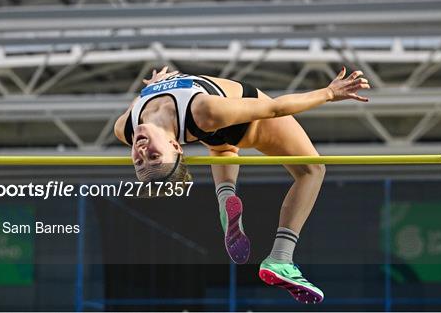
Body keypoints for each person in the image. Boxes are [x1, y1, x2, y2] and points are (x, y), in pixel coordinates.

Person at [114, 66, 370, 303]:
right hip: (241, 121)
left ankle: (225, 198)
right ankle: (281, 258)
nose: (142, 152)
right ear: (175, 147)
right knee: (312, 170)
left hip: (209, 125)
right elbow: (274, 109)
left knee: (222, 147)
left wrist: (152, 85)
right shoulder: (204, 111)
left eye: (140, 161)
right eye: (154, 157)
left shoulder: (124, 128)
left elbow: (147, 103)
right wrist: (328, 93)